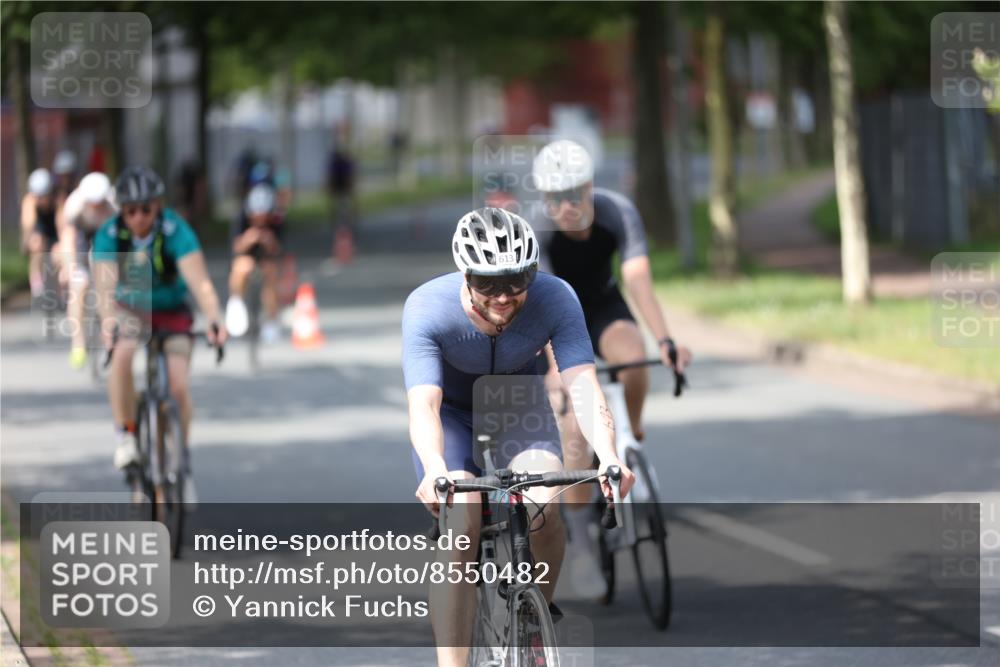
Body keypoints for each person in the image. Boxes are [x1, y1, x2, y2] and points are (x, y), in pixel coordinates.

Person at [402, 207, 634, 667]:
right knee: (462, 523)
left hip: (515, 402)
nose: (503, 296)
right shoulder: (428, 307)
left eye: (515, 281)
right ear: (464, 275)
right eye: (487, 283)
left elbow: (583, 384)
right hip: (450, 412)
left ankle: (534, 621)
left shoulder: (556, 297)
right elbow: (424, 403)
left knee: (546, 501)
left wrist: (608, 455)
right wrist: (433, 467)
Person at [531, 139, 692, 596]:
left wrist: (664, 339)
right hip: (558, 316)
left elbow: (638, 278)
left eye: (573, 195)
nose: (565, 207)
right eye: (553, 198)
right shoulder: (539, 229)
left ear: (590, 188)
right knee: (574, 429)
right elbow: (539, 303)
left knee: (633, 358)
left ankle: (632, 438)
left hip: (602, 305)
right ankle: (581, 538)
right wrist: (551, 370)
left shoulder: (617, 211)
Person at [92, 166, 227, 502]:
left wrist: (214, 317)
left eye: (146, 209)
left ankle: (179, 459)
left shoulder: (174, 230)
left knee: (178, 384)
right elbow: (105, 290)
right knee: (121, 357)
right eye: (130, 211)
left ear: (158, 205)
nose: (138, 217)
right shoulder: (110, 235)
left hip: (170, 310)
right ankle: (127, 435)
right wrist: (109, 324)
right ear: (121, 211)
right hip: (131, 309)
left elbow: (200, 283)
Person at [59, 172, 118, 369]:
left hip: (106, 246)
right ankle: (78, 343)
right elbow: (68, 239)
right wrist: (69, 266)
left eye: (99, 202)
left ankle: (110, 333)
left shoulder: (114, 205)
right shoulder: (74, 206)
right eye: (92, 202)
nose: (96, 206)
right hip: (82, 245)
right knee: (79, 288)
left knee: (108, 288)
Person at [223, 184, 284, 342]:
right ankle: (236, 304)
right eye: (256, 215)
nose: (260, 219)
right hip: (245, 257)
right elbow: (235, 248)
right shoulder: (241, 219)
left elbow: (279, 250)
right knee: (241, 267)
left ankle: (271, 319)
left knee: (270, 273)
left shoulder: (276, 220)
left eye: (264, 215)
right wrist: (249, 239)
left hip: (266, 260)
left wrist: (268, 241)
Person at [19, 168, 60, 298]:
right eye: (38, 196)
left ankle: (58, 287)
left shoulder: (58, 201)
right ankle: (36, 282)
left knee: (58, 252)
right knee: (36, 243)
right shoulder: (30, 202)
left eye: (43, 196)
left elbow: (63, 227)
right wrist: (26, 243)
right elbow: (28, 227)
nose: (40, 200)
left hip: (54, 232)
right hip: (40, 234)